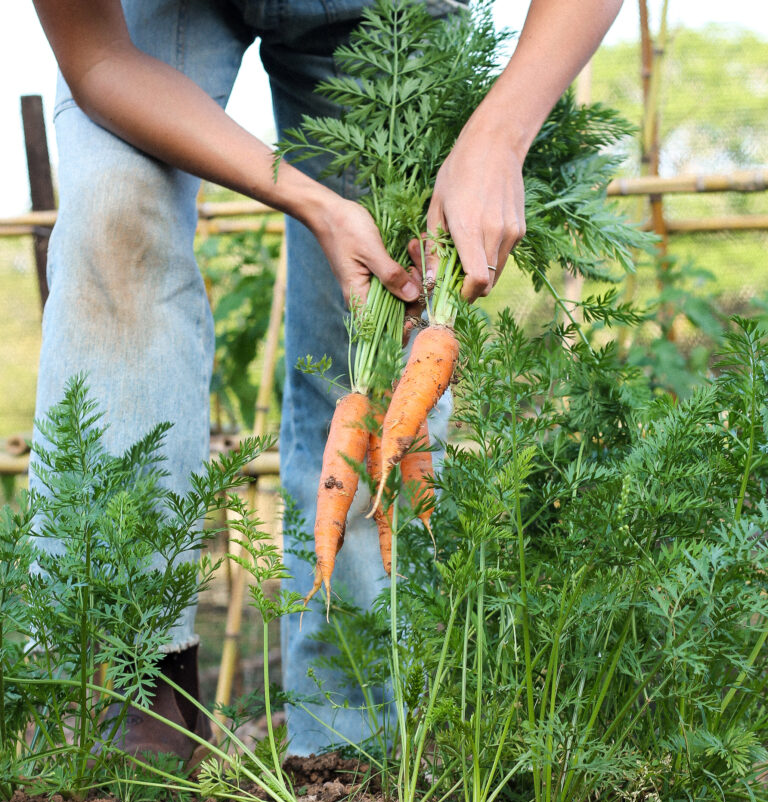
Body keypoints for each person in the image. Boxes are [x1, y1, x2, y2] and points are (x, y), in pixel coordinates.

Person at [31, 0, 623, 757]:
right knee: (117, 209)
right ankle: (132, 676)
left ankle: (352, 728)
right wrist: (310, 199)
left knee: (377, 324)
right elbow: (99, 60)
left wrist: (498, 135)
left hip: (385, 13)